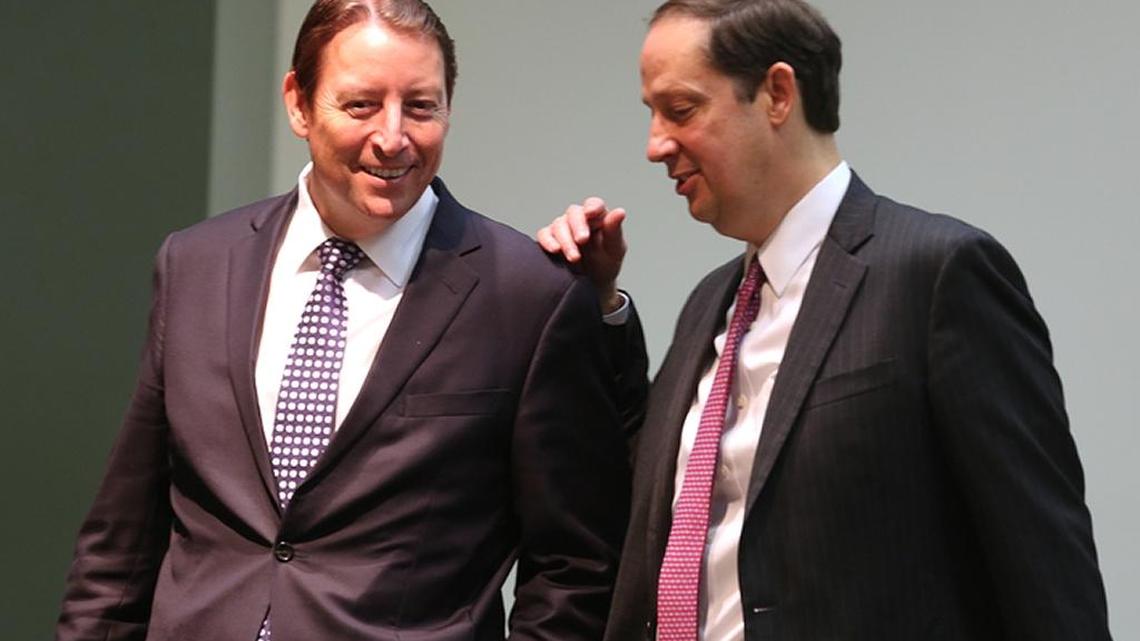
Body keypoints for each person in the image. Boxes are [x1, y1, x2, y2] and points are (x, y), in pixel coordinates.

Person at [538, 0, 1113, 639]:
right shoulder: (710, 303)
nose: (655, 146)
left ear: (778, 94)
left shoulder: (937, 274)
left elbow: (1043, 560)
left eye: (680, 110)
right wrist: (597, 308)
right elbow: (642, 508)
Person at [56, 1, 630, 640]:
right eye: (360, 105)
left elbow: (575, 566)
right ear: (298, 103)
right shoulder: (196, 263)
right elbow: (122, 539)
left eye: (421, 106)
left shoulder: (527, 293)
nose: (392, 138)